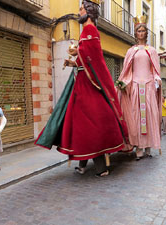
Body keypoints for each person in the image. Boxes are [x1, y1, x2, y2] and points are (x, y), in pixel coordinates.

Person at [35, 0, 129, 177]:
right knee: (81, 125)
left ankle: (100, 167)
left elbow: (93, 57)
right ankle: (83, 164)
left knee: (91, 124)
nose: (78, 12)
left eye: (81, 9)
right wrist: (74, 60)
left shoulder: (90, 30)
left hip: (88, 85)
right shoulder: (87, 31)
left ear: (89, 11)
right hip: (81, 83)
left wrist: (77, 52)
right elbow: (86, 59)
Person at [117, 15, 162, 160]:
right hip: (135, 86)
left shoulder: (152, 51)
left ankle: (148, 146)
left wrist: (156, 81)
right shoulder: (131, 51)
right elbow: (127, 70)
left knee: (149, 117)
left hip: (149, 86)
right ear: (135, 33)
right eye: (139, 31)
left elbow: (155, 70)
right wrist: (124, 83)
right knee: (136, 117)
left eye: (143, 30)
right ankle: (138, 146)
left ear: (146, 33)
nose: (141, 33)